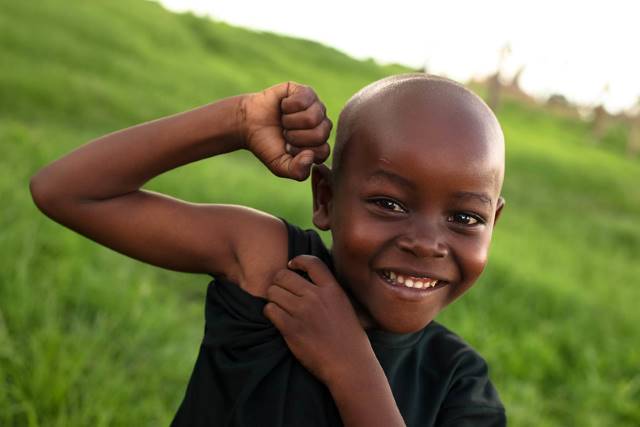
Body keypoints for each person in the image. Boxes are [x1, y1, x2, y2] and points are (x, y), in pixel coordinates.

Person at [30, 73, 507, 426]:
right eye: (388, 203)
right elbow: (66, 191)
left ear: (493, 223)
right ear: (325, 198)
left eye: (465, 218)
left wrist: (351, 367)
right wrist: (236, 121)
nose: (425, 243)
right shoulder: (273, 268)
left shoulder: (460, 385)